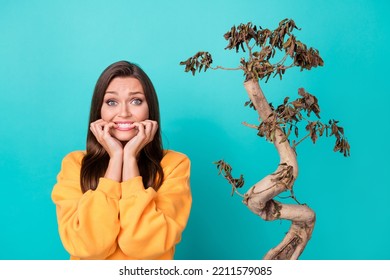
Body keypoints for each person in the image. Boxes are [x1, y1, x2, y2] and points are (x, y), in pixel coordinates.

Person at [52, 61, 192, 260]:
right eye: (111, 102)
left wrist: (130, 159)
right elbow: (89, 247)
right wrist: (116, 158)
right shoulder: (75, 164)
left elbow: (144, 247)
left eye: (136, 101)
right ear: (98, 110)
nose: (124, 113)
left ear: (150, 109)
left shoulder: (174, 164)